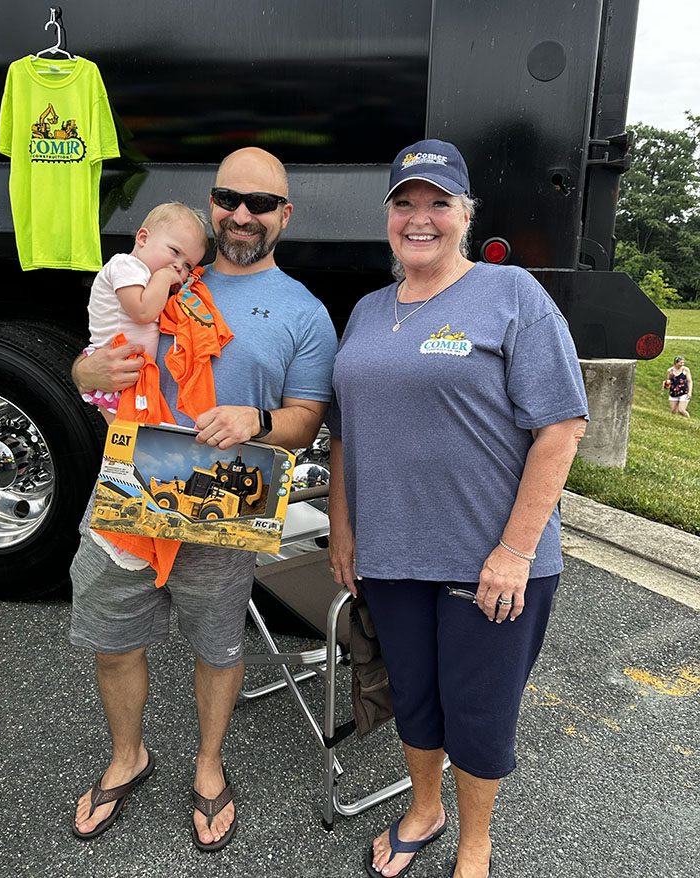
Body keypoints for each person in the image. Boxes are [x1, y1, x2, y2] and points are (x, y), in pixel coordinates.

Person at [327, 139, 589, 878]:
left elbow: (560, 428)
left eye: (438, 203)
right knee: (414, 698)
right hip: (391, 551)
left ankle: (474, 839)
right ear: (387, 215)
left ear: (465, 214)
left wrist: (512, 551)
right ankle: (424, 807)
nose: (420, 218)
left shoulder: (512, 296)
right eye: (404, 203)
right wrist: (343, 529)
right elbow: (345, 426)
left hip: (493, 562)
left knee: (478, 713)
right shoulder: (370, 310)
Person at [69, 147, 338, 849]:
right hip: (130, 490)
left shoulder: (304, 312)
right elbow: (94, 359)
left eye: (260, 203)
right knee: (114, 640)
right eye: (229, 198)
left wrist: (260, 420)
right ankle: (128, 757)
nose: (242, 214)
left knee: (219, 647)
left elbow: (308, 417)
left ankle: (209, 764)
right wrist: (82, 369)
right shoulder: (158, 272)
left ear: (285, 215)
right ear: (212, 203)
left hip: (227, 497)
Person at [82, 202, 208, 419]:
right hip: (117, 373)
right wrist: (164, 277)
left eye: (188, 265)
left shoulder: (145, 277)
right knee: (126, 444)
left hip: (131, 373)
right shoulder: (125, 266)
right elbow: (142, 312)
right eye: (175, 251)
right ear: (143, 239)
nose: (179, 266)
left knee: (134, 444)